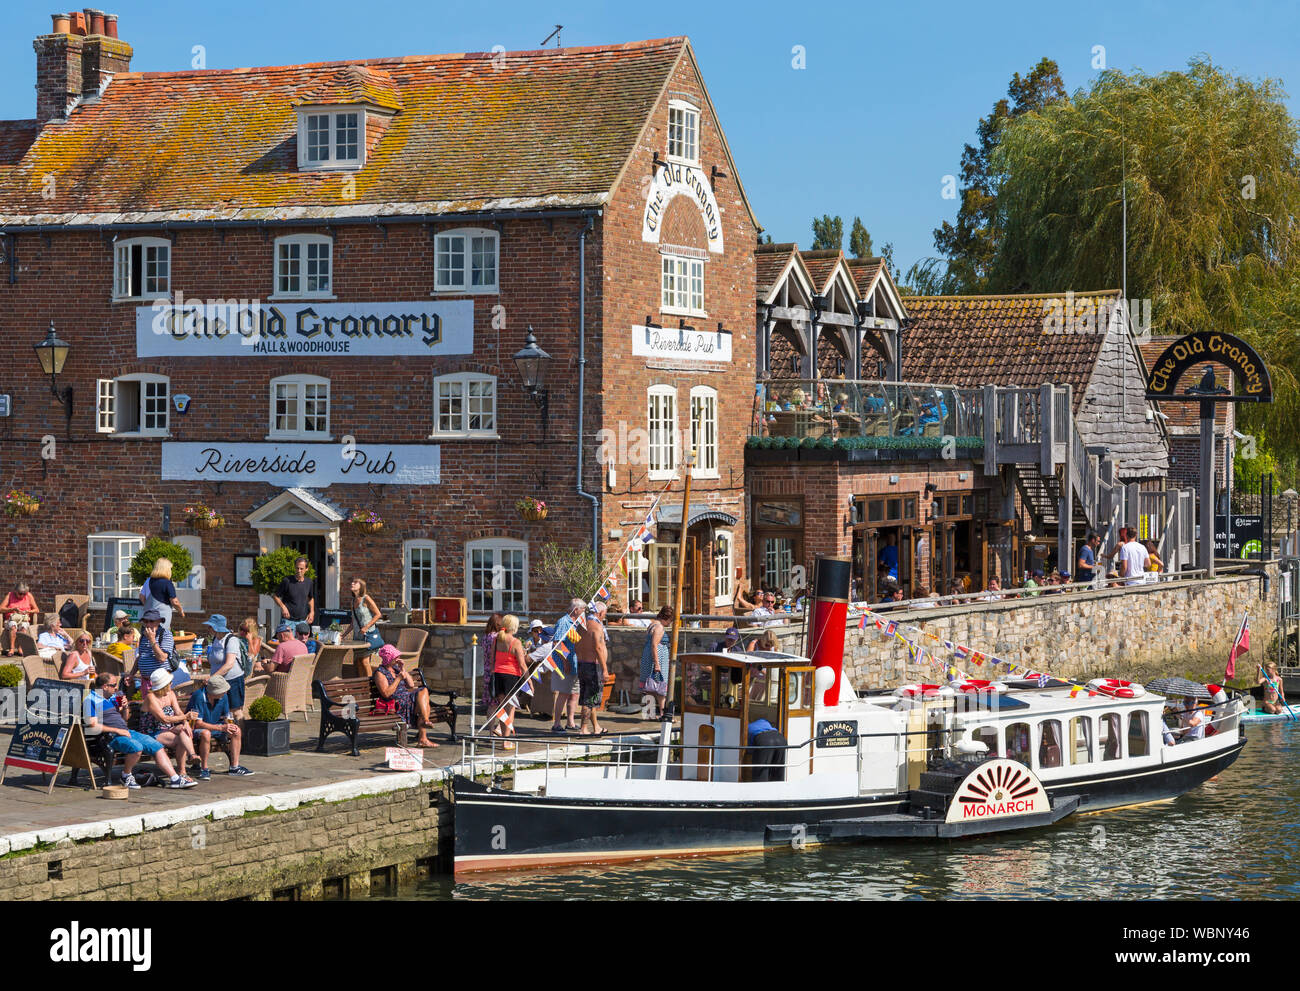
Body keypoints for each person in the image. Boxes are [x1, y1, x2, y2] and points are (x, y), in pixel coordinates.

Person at [83, 673, 191, 789]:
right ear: (105, 686)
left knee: (156, 746)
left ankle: (175, 779)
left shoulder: (114, 697)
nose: (116, 688)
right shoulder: (90, 700)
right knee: (136, 747)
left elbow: (125, 718)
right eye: (114, 685)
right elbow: (93, 726)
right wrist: (118, 731)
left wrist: (125, 707)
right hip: (110, 736)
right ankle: (126, 775)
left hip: (125, 731)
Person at [186, 674, 254, 778]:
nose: (226, 692)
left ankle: (234, 767)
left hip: (215, 726)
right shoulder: (199, 696)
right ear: (214, 692)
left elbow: (226, 716)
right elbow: (197, 724)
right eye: (223, 690)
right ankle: (204, 769)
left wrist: (230, 725)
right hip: (194, 729)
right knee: (206, 733)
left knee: (237, 731)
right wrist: (221, 727)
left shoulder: (223, 697)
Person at [139, 669, 199, 784]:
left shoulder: (171, 694)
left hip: (167, 728)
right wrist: (186, 717)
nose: (172, 683)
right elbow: (163, 719)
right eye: (170, 682)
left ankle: (192, 756)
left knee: (183, 730)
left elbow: (178, 711)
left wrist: (185, 722)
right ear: (164, 685)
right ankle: (182, 771)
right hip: (152, 732)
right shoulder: (151, 697)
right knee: (181, 740)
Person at [372, 644, 434, 747]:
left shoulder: (396, 669)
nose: (398, 658)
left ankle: (425, 724)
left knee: (423, 691)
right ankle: (423, 734)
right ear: (389, 658)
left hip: (407, 698)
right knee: (424, 705)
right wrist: (398, 679)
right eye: (395, 657)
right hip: (397, 703)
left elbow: (411, 685)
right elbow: (386, 694)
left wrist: (402, 669)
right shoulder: (380, 673)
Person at [489, 614, 527, 747]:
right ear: (514, 626)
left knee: (502, 708)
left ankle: (503, 739)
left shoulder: (497, 640)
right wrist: (529, 681)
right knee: (510, 710)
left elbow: (492, 659)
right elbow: (522, 665)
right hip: (511, 677)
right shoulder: (516, 642)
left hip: (498, 675)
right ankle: (506, 741)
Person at [549, 601, 584, 733]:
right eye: (582, 609)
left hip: (574, 663)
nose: (584, 612)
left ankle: (570, 722)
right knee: (563, 693)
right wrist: (565, 662)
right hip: (564, 665)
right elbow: (557, 643)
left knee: (574, 693)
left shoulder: (576, 623)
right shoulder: (564, 622)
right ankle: (557, 724)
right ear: (576, 610)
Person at [204, 614, 249, 717]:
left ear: (216, 628)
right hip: (218, 681)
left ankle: (240, 728)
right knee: (220, 712)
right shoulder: (215, 639)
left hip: (233, 681)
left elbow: (229, 664)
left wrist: (212, 677)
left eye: (210, 626)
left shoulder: (231, 640)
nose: (208, 628)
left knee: (235, 711)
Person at [576, 601, 609, 736]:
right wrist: (605, 669)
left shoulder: (581, 626)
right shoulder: (596, 627)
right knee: (589, 700)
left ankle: (596, 727)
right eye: (604, 614)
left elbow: (576, 645)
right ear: (600, 613)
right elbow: (598, 648)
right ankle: (583, 729)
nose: (604, 617)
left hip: (581, 664)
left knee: (589, 697)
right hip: (593, 666)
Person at [637, 605, 673, 721]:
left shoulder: (652, 624)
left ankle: (649, 714)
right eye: (670, 620)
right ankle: (663, 714)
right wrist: (657, 664)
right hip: (656, 660)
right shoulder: (659, 627)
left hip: (648, 658)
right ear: (667, 618)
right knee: (660, 687)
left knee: (649, 687)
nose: (670, 623)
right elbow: (654, 645)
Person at [133, 609, 174, 695]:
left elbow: (162, 658)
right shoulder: (143, 636)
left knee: (159, 703)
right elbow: (140, 656)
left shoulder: (165, 634)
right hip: (145, 681)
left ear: (158, 621)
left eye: (151, 621)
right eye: (146, 621)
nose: (148, 624)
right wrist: (131, 674)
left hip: (160, 683)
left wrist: (152, 640)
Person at [139, 557, 184, 630]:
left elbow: (141, 596)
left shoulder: (148, 580)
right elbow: (174, 602)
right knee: (161, 636)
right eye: (170, 569)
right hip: (161, 619)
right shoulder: (167, 583)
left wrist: (148, 607)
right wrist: (181, 611)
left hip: (147, 618)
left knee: (146, 634)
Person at [349, 577, 384, 671]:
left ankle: (370, 681)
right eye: (352, 582)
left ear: (361, 586)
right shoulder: (352, 601)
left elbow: (378, 614)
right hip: (357, 637)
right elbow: (353, 621)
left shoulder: (366, 598)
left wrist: (366, 627)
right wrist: (343, 635)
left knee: (365, 662)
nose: (352, 583)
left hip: (367, 635)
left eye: (355, 582)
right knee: (358, 663)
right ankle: (362, 681)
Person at [272, 556, 316, 625]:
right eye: (297, 568)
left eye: (301, 569)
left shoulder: (309, 582)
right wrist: (283, 607)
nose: (299, 571)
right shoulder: (287, 581)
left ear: (306, 569)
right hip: (287, 621)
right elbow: (275, 596)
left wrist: (312, 612)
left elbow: (310, 598)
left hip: (303, 621)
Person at [1, 582, 38, 657]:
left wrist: (28, 611)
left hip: (23, 619)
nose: (22, 595)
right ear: (15, 591)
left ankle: (21, 648)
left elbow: (36, 609)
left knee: (23, 626)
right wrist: (12, 609)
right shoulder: (10, 595)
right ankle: (12, 648)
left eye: (24, 594)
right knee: (13, 625)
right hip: (11, 619)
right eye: (20, 593)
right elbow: (1, 608)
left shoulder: (29, 596)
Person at [747, 717, 787, 782]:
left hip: (764, 739)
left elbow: (750, 748)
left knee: (761, 770)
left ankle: (760, 788)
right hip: (780, 738)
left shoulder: (747, 727)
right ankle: (779, 786)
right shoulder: (763, 721)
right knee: (779, 768)